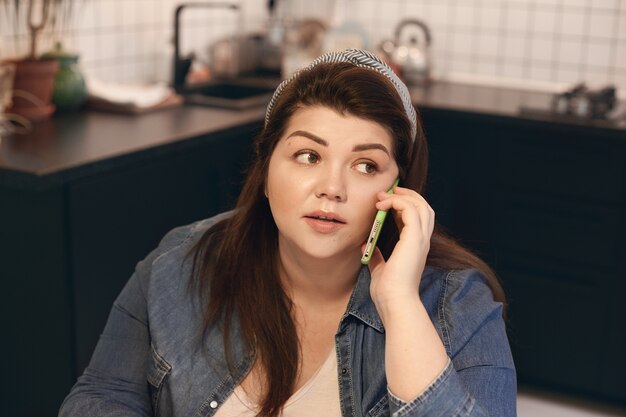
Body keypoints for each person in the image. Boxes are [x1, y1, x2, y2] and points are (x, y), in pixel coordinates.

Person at [59, 49, 516, 417]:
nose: (331, 189)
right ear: (265, 167)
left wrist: (400, 304)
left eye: (365, 165)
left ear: (399, 191)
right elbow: (101, 395)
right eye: (308, 156)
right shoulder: (180, 261)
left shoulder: (458, 304)